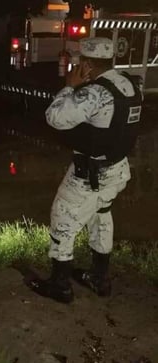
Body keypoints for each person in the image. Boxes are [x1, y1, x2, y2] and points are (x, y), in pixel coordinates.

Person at [28, 37, 142, 303]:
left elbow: (55, 118)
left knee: (62, 219)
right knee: (101, 215)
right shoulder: (129, 84)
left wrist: (70, 87)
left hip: (90, 174)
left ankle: (59, 285)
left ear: (87, 64)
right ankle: (99, 278)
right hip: (118, 170)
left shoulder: (94, 93)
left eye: (81, 62)